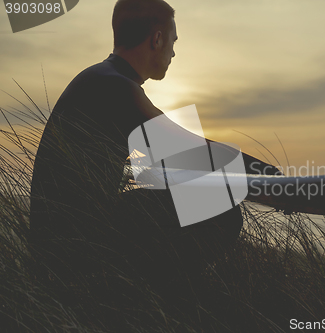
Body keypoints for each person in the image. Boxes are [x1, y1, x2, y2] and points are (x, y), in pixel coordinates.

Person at [29, 0, 279, 291]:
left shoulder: (101, 78)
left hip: (60, 240)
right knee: (222, 211)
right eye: (173, 41)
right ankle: (154, 298)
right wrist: (271, 176)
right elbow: (196, 152)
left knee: (193, 193)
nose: (173, 51)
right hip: (75, 250)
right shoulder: (116, 87)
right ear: (157, 39)